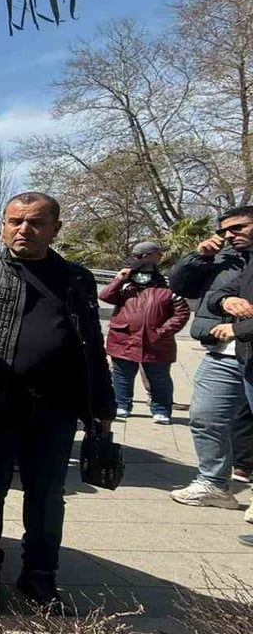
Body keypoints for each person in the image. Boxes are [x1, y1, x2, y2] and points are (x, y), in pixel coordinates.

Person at [0, 192, 114, 615]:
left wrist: (102, 408)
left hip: (56, 410)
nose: (24, 229)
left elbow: (91, 345)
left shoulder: (77, 279)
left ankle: (40, 576)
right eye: (15, 221)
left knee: (47, 497)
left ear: (55, 228)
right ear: (3, 226)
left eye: (36, 222)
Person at [169, 207, 253, 510]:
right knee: (205, 417)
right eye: (224, 231)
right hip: (222, 351)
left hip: (246, 344)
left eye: (238, 227)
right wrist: (199, 258)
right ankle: (214, 483)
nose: (229, 235)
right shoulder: (222, 258)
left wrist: (239, 328)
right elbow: (181, 286)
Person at [100, 261, 190, 424]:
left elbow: (182, 312)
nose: (142, 277)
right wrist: (119, 279)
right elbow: (105, 296)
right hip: (123, 341)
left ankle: (161, 410)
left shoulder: (167, 292)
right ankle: (121, 405)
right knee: (122, 376)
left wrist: (164, 330)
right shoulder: (125, 289)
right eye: (138, 273)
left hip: (156, 344)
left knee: (159, 378)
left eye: (146, 273)